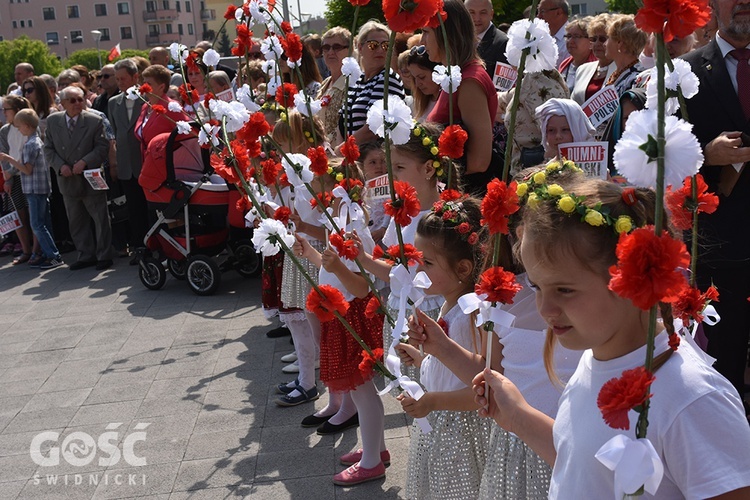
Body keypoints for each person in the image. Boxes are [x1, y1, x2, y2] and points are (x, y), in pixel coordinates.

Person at [472, 177, 750, 497]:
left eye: (564, 290)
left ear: (630, 277)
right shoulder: (595, 357)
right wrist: (519, 417)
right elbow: (585, 466)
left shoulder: (692, 398)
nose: (545, 309)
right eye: (537, 286)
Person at [293, 160, 387, 487]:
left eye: (324, 195)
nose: (320, 200)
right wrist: (312, 256)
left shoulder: (352, 227)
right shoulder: (341, 223)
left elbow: (363, 286)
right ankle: (376, 449)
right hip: (340, 314)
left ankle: (372, 460)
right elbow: (335, 264)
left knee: (363, 392)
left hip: (352, 317)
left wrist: (335, 267)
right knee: (362, 392)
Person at [395, 196, 493, 499]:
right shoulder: (448, 304)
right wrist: (423, 357)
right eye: (416, 259)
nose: (417, 268)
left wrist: (432, 401)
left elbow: (482, 388)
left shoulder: (473, 314)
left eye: (427, 262)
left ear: (463, 268)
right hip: (440, 422)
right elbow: (453, 361)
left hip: (461, 430)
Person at [682, 0, 750, 417]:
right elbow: (663, 152)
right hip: (720, 241)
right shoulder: (685, 72)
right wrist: (707, 154)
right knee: (724, 349)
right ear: (711, 7)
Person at [272, 111, 327, 408]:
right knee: (297, 321)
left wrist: (301, 226)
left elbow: (331, 226)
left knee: (314, 323)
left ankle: (318, 384)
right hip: (300, 249)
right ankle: (306, 378)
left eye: (284, 144)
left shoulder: (320, 174)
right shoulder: (297, 172)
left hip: (314, 252)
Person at [424, 0, 498, 194]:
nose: (422, 42)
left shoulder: (469, 81)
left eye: (425, 33)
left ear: (445, 35)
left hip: (467, 196)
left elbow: (480, 161)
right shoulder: (455, 76)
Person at [44, 85, 114, 271]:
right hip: (67, 179)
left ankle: (104, 255)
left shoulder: (94, 120)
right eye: (73, 100)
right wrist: (60, 166)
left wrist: (84, 161)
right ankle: (85, 254)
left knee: (100, 218)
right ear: (63, 103)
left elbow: (102, 147)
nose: (77, 104)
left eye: (80, 99)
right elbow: (48, 149)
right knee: (76, 220)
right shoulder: (53, 121)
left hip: (90, 176)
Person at [0, 109, 63, 269]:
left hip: (34, 190)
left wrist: (9, 159)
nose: (19, 130)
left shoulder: (30, 144)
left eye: (19, 126)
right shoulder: (37, 141)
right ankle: (51, 254)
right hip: (40, 188)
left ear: (27, 126)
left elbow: (27, 170)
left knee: (37, 224)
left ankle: (53, 256)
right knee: (43, 223)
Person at [339, 21, 405, 146]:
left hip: (377, 157)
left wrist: (344, 148)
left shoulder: (388, 79)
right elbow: (341, 121)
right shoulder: (358, 82)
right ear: (360, 47)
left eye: (385, 45)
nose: (380, 50)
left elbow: (375, 127)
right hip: (355, 155)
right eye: (373, 45)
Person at [109, 58, 148, 262]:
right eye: (117, 79)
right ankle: (139, 246)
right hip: (126, 167)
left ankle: (155, 245)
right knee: (134, 209)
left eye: (123, 78)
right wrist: (115, 163)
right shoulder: (113, 102)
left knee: (150, 207)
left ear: (135, 77)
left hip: (147, 164)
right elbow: (116, 134)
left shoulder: (148, 98)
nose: (120, 83)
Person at [0, 95, 34, 264]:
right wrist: (8, 176)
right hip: (13, 178)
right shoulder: (4, 130)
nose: (4, 112)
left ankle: (37, 250)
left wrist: (12, 170)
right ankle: (26, 250)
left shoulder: (29, 127)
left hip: (29, 175)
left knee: (33, 214)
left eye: (7, 109)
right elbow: (3, 154)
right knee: (18, 215)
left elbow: (27, 154)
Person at [134, 65, 189, 156]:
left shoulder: (172, 107)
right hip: (148, 162)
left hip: (167, 163)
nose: (144, 86)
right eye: (144, 83)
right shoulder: (145, 106)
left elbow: (186, 136)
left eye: (149, 84)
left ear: (161, 87)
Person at [316, 27, 351, 145]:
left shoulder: (354, 82)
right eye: (326, 48)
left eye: (336, 47)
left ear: (350, 50)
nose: (330, 52)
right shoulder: (325, 84)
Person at [570, 14, 616, 105]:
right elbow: (573, 105)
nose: (597, 43)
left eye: (602, 39)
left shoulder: (622, 70)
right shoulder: (582, 69)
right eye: (594, 39)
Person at [603, 14, 647, 97]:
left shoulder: (637, 78)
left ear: (620, 44)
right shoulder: (617, 74)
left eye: (608, 38)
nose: (604, 44)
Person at [465, 0, 510, 80]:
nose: (477, 18)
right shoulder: (457, 39)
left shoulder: (503, 43)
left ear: (491, 14)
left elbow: (501, 87)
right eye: (471, 12)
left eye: (483, 12)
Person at [559, 17, 596, 91]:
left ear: (590, 40)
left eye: (576, 36)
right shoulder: (564, 65)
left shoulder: (596, 67)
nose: (570, 41)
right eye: (568, 36)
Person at [407, 46, 440, 122]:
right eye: (414, 78)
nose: (417, 84)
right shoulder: (417, 105)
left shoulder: (450, 103)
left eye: (422, 77)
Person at [537, 0, 570, 66]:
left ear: (558, 12)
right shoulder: (541, 37)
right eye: (538, 12)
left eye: (542, 11)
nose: (538, 16)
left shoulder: (573, 39)